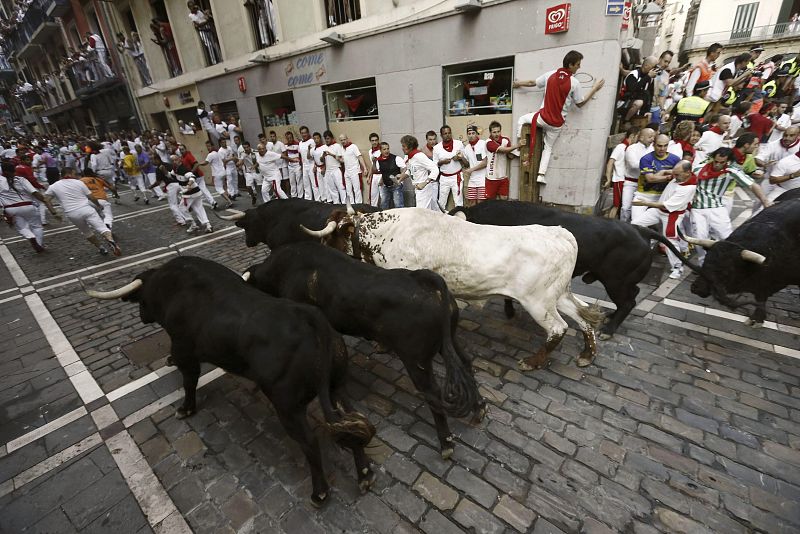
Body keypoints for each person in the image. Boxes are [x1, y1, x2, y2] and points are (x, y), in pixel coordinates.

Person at [514, 50, 605, 184]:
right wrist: (594, 88)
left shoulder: (550, 74)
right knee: (548, 148)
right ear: (570, 65)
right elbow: (580, 103)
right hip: (556, 124)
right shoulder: (574, 83)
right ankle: (541, 175)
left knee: (522, 119)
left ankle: (517, 149)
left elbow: (532, 83)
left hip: (542, 118)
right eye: (578, 64)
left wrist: (518, 83)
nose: (579, 67)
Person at [692, 149, 769, 265]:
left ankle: (731, 263)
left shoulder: (732, 171)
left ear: (728, 161)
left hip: (717, 208)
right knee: (699, 238)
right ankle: (703, 264)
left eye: (721, 162)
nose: (717, 165)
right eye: (716, 161)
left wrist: (765, 202)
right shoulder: (700, 167)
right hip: (697, 209)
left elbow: (753, 185)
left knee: (727, 238)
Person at [632, 160, 697, 279]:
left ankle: (677, 267)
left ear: (687, 173)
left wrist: (645, 203)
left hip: (672, 215)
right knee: (635, 225)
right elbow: (667, 173)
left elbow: (665, 205)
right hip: (659, 210)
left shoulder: (687, 188)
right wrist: (664, 172)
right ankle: (644, 245)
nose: (674, 176)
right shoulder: (679, 175)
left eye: (677, 174)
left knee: (670, 241)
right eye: (674, 173)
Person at [45, 167, 121, 256]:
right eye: (75, 174)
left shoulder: (53, 186)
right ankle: (112, 242)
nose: (76, 176)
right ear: (69, 174)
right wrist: (98, 205)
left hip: (72, 213)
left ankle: (101, 248)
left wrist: (54, 213)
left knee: (86, 232)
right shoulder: (79, 183)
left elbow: (46, 200)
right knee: (102, 228)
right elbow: (91, 197)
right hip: (86, 209)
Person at [0, 161, 57, 253]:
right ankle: (39, 244)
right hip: (28, 206)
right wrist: (45, 201)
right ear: (14, 170)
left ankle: (30, 236)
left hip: (11, 208)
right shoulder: (21, 179)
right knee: (37, 227)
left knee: (22, 228)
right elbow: (35, 192)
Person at [634, 134, 682, 222]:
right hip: (644, 195)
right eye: (659, 146)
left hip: (663, 196)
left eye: (665, 145)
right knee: (636, 223)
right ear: (653, 144)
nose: (662, 148)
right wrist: (669, 176)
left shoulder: (675, 159)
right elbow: (650, 179)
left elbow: (681, 176)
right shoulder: (646, 159)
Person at [755, 125, 800, 204]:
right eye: (785, 135)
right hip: (769, 180)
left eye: (791, 135)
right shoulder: (773, 144)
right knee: (759, 202)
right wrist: (764, 164)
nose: (787, 138)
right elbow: (758, 158)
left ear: (798, 136)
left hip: (788, 185)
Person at [621, 127, 655, 222]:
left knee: (640, 209)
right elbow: (633, 165)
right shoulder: (632, 148)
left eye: (653, 137)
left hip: (645, 184)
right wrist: (651, 166)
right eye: (650, 137)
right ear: (641, 137)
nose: (652, 139)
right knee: (625, 207)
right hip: (631, 182)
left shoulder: (653, 149)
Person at [605, 126, 639, 218]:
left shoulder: (629, 148)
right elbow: (611, 162)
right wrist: (608, 178)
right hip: (619, 179)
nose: (637, 140)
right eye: (637, 137)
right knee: (617, 205)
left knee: (620, 205)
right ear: (632, 136)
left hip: (625, 180)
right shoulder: (621, 147)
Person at [398, 135, 439, 211]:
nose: (402, 148)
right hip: (418, 189)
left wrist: (425, 182)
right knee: (434, 211)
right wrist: (402, 177)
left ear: (410, 147)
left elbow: (435, 169)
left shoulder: (419, 156)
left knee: (422, 213)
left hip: (424, 189)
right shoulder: (409, 157)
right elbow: (411, 170)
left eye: (404, 146)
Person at [485, 121, 520, 201]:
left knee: (504, 199)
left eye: (498, 131)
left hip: (503, 177)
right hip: (491, 178)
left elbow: (509, 155)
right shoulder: (488, 142)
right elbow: (503, 150)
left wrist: (517, 153)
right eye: (494, 132)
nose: (497, 134)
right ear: (490, 132)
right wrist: (518, 145)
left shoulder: (506, 140)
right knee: (490, 201)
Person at [433, 125, 464, 210]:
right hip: (444, 177)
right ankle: (440, 220)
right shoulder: (436, 148)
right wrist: (442, 162)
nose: (447, 135)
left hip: (456, 176)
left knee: (458, 201)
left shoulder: (459, 144)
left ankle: (460, 220)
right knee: (442, 202)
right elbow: (434, 164)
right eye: (445, 133)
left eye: (449, 133)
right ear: (441, 135)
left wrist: (459, 158)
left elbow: (465, 161)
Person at [621, 55, 658, 123]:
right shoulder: (634, 74)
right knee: (638, 103)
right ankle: (625, 121)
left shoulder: (650, 78)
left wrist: (647, 111)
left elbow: (650, 95)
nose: (654, 70)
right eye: (653, 67)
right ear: (646, 65)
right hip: (625, 102)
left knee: (649, 115)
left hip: (640, 107)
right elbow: (632, 89)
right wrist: (648, 77)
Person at [374, 141, 406, 209]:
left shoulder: (396, 158)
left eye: (388, 148)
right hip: (386, 185)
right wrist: (381, 180)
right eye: (384, 149)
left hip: (396, 185)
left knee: (398, 205)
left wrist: (401, 175)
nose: (386, 151)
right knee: (383, 205)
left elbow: (404, 168)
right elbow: (381, 172)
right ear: (380, 150)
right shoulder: (378, 161)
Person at [461, 125, 488, 205]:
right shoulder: (467, 148)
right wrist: (462, 157)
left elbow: (484, 163)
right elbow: (467, 164)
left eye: (473, 133)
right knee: (471, 202)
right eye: (469, 133)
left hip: (482, 179)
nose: (471, 135)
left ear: (477, 134)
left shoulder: (482, 143)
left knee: (481, 203)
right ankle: (473, 218)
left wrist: (471, 169)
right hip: (472, 179)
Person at [201, 141, 231, 207]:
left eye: (209, 146)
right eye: (207, 146)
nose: (208, 148)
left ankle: (229, 201)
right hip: (223, 171)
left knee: (219, 189)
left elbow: (205, 163)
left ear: (212, 146)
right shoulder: (218, 153)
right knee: (224, 186)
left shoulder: (211, 154)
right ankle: (228, 196)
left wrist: (198, 164)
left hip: (218, 174)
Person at [337, 133, 365, 204]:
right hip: (347, 172)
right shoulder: (341, 148)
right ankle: (352, 205)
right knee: (348, 191)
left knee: (357, 190)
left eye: (344, 139)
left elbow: (359, 157)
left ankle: (359, 205)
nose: (343, 141)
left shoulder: (353, 146)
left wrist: (365, 168)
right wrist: (337, 158)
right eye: (341, 140)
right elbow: (343, 160)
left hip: (355, 171)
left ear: (347, 139)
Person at [322, 130, 346, 203]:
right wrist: (323, 156)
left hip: (336, 169)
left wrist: (330, 154)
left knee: (341, 187)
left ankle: (344, 203)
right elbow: (322, 160)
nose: (327, 140)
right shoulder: (324, 147)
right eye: (325, 139)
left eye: (328, 138)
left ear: (332, 138)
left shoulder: (337, 146)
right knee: (332, 189)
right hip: (328, 171)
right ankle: (336, 203)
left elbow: (341, 159)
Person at [297, 127, 316, 201]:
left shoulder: (312, 141)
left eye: (305, 132)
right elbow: (300, 155)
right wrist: (302, 166)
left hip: (311, 164)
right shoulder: (300, 143)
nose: (304, 134)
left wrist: (315, 166)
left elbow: (315, 154)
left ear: (308, 133)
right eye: (302, 133)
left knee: (314, 183)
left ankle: (317, 199)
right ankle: (308, 199)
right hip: (304, 166)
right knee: (306, 183)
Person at [284, 131, 303, 198]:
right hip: (290, 166)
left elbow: (301, 155)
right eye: (288, 138)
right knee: (292, 182)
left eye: (290, 138)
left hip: (297, 166)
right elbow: (286, 156)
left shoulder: (298, 144)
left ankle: (300, 196)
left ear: (292, 137)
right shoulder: (285, 146)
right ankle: (294, 196)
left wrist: (301, 165)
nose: (289, 139)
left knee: (299, 181)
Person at [365, 132, 382, 206]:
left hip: (381, 174)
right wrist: (369, 176)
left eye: (376, 140)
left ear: (378, 141)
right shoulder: (370, 151)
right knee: (373, 195)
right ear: (370, 141)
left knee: (383, 195)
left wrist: (383, 177)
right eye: (372, 140)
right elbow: (372, 165)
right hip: (374, 175)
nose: (374, 142)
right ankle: (373, 211)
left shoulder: (382, 149)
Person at [312, 132, 328, 202]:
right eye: (314, 138)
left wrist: (324, 168)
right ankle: (323, 199)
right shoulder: (313, 149)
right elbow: (314, 159)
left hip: (324, 167)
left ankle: (328, 199)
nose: (316, 140)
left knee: (326, 184)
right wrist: (315, 166)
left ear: (320, 138)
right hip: (318, 168)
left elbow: (327, 159)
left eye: (317, 138)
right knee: (320, 185)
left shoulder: (324, 147)